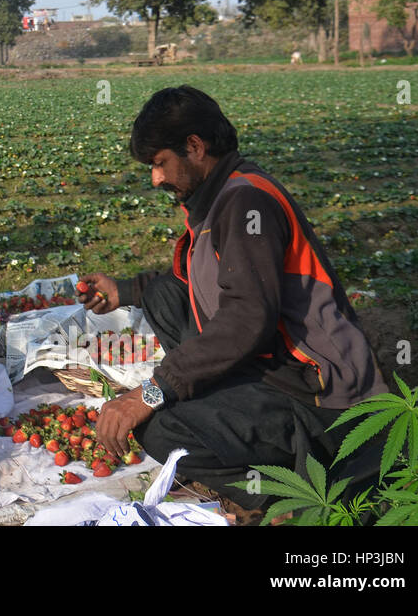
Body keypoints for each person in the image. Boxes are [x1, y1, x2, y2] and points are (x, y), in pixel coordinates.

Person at [79, 85, 386, 515]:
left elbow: (246, 320)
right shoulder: (219, 197)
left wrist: (150, 393)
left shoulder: (246, 203)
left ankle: (287, 497)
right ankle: (226, 423)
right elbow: (189, 279)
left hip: (314, 391)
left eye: (160, 163)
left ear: (194, 146)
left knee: (162, 430)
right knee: (164, 294)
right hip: (269, 361)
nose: (156, 178)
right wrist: (125, 291)